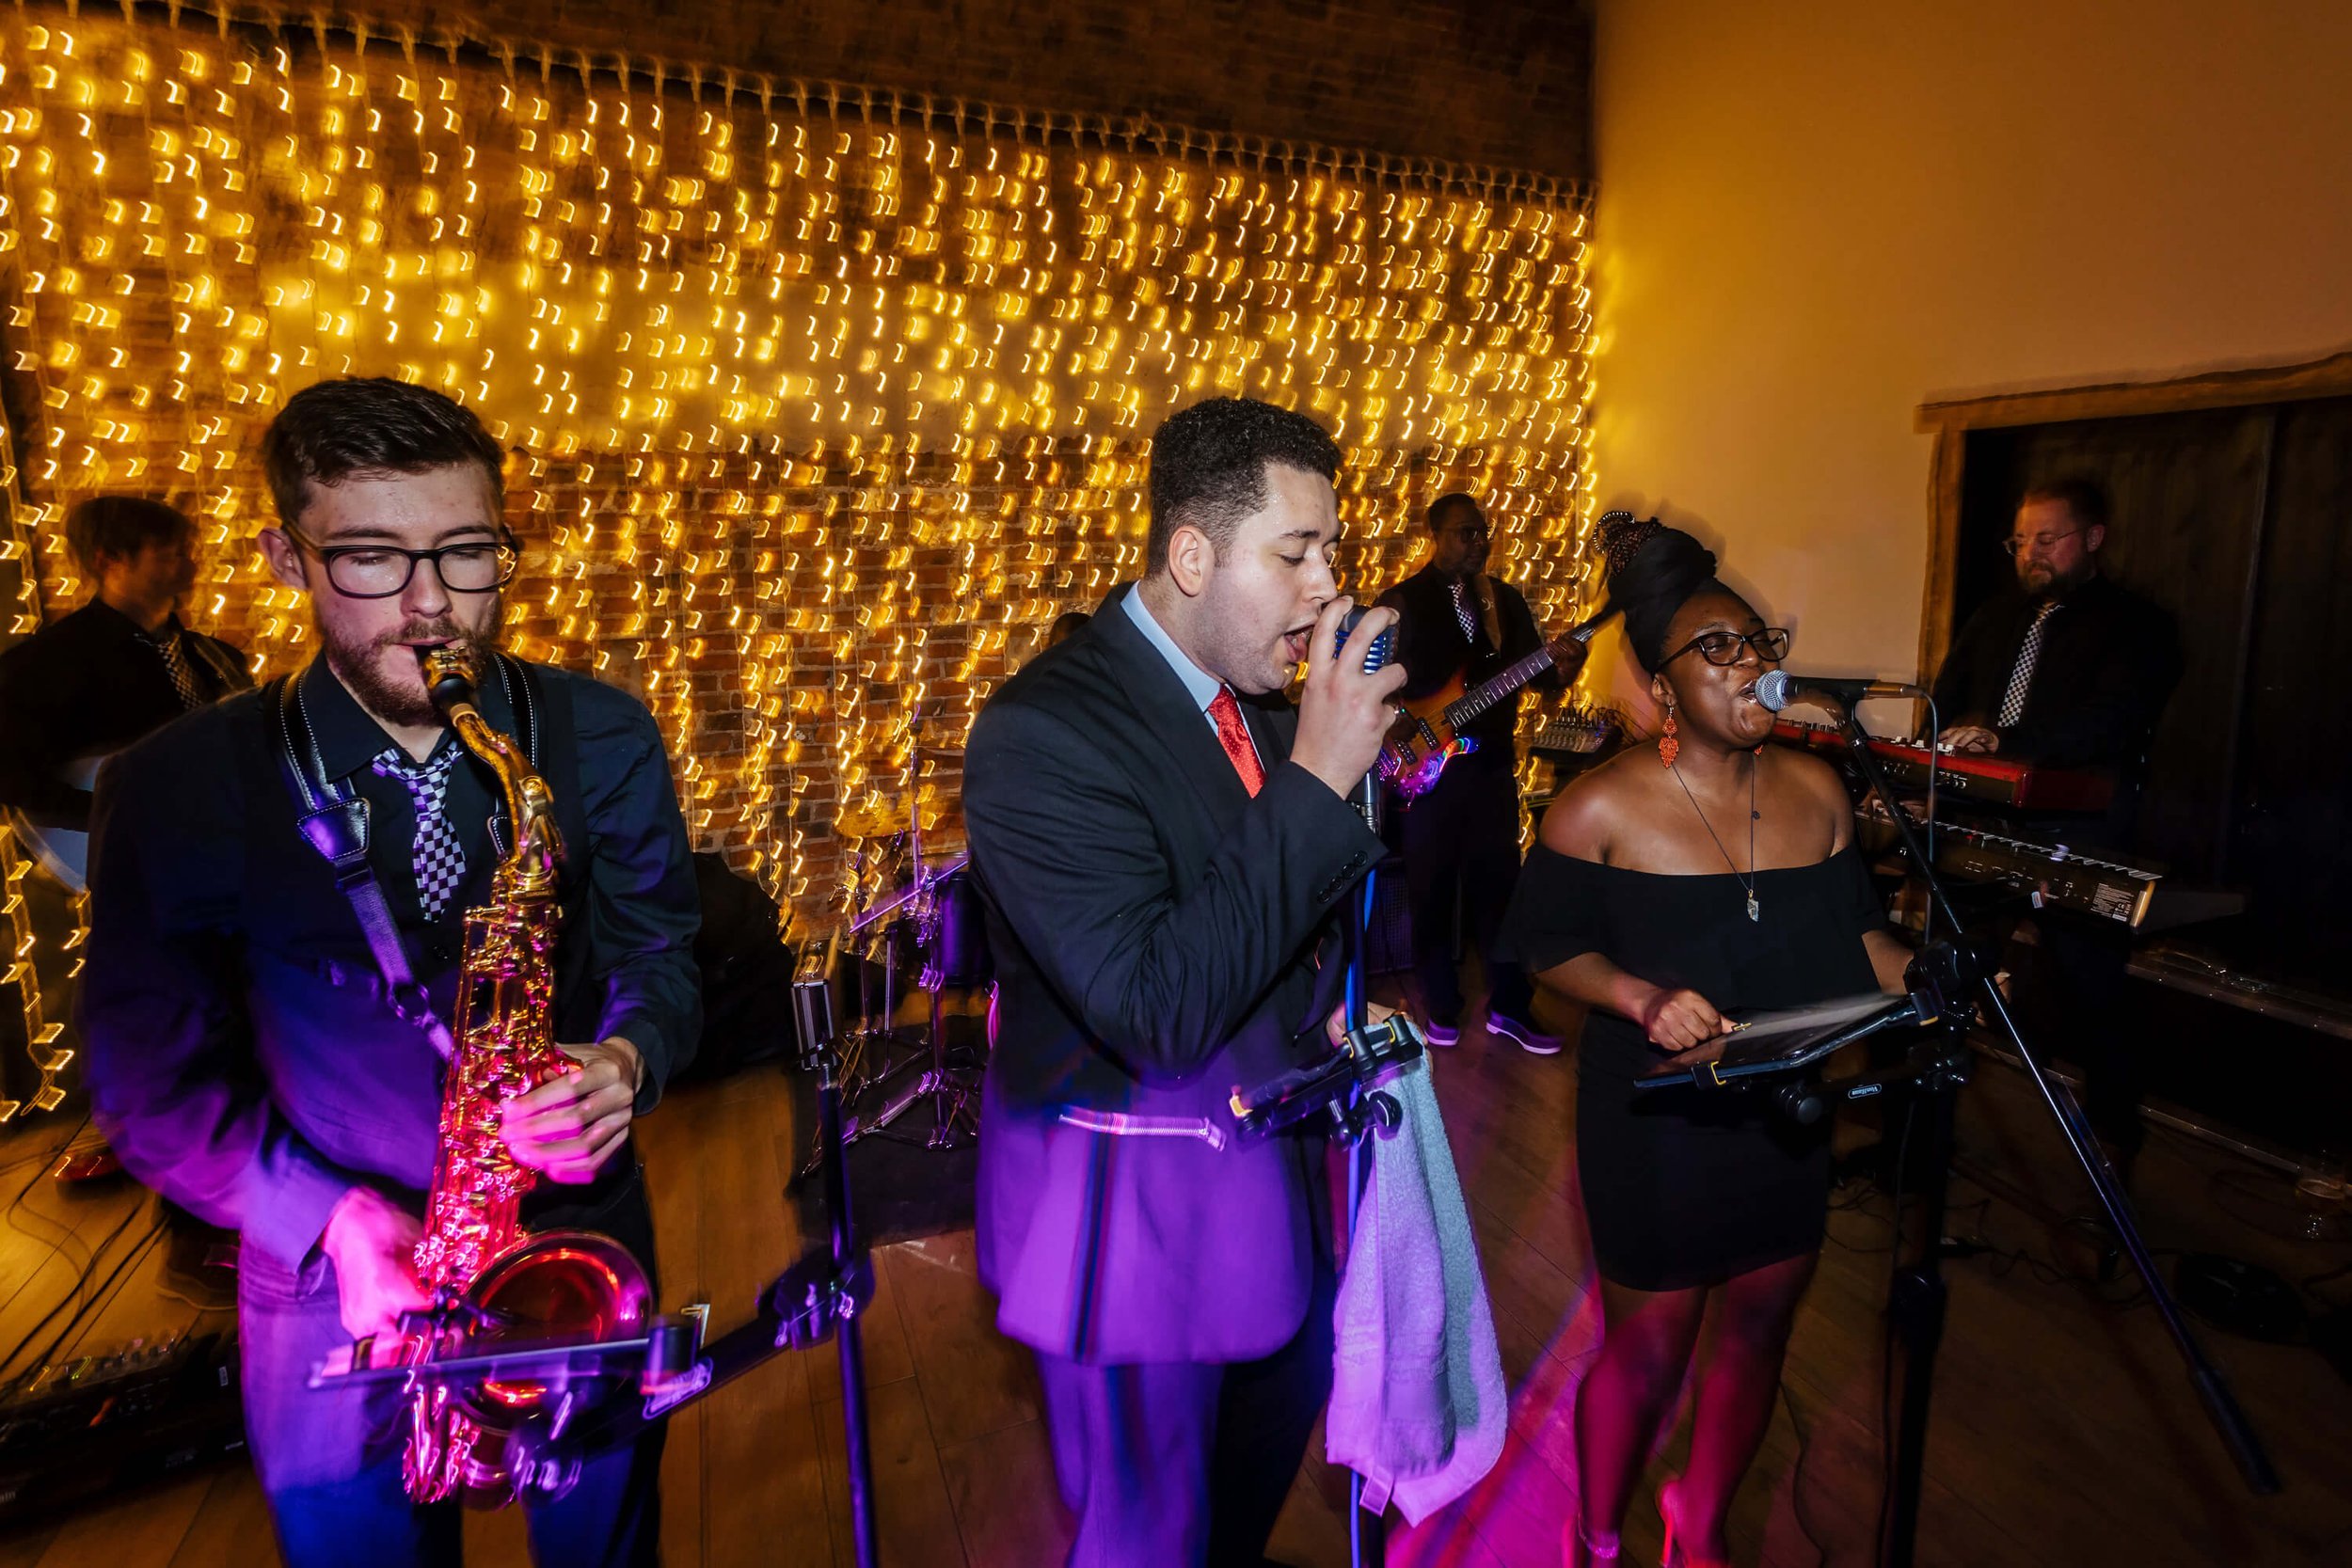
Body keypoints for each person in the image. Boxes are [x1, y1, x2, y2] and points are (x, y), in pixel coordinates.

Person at [79, 377, 700, 1568]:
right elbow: (145, 1084)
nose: (430, 606)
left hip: (571, 1238)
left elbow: (660, 949)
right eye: (370, 557)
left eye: (466, 553)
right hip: (331, 1271)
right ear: (286, 556)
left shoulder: (601, 733)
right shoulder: (176, 784)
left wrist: (628, 1056)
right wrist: (332, 1219)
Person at [962, 395, 1405, 1567]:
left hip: (1272, 1178)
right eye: (1295, 552)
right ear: (1192, 553)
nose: (1325, 585)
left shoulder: (1257, 700)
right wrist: (1317, 775)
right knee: (1146, 1523)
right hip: (1122, 1200)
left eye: (1330, 550)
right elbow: (1158, 1009)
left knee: (1248, 1476)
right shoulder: (1041, 731)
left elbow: (1296, 922)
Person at [1502, 519, 1912, 1568]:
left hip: (1783, 1109)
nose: (1750, 667)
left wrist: (1935, 976)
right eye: (1716, 650)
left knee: (1764, 1323)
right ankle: (1594, 1533)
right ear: (1665, 684)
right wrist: (1638, 994)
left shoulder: (1820, 797)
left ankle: (1701, 1517)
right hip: (1658, 1113)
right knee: (1648, 1344)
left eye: (1758, 644)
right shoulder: (1597, 808)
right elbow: (1545, 946)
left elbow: (1862, 938)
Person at [1930, 477, 2180, 1177]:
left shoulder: (2138, 625)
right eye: (2021, 541)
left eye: (2048, 538)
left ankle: (2114, 1141)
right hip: (1984, 822)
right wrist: (1945, 742)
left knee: (2090, 984)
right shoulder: (1996, 615)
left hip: (2078, 827)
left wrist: (2004, 739)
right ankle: (1924, 1131)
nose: (2031, 554)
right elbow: (1948, 697)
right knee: (1948, 967)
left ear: (2093, 538)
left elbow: (2111, 718)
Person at [1378, 492, 1575, 1052]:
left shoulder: (1505, 601)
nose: (1478, 542)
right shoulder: (1402, 602)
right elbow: (1376, 686)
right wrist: (1401, 735)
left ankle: (1510, 1007)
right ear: (1435, 535)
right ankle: (1441, 1005)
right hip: (1428, 773)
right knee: (1431, 891)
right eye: (1466, 532)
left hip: (1489, 769)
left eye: (1483, 532)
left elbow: (1537, 676)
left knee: (1501, 891)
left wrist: (1563, 669)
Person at [0, 495, 249, 841]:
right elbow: (13, 778)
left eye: (188, 553)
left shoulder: (217, 658)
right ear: (109, 560)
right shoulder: (46, 664)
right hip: (134, 865)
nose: (190, 566)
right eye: (170, 555)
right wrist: (117, 816)